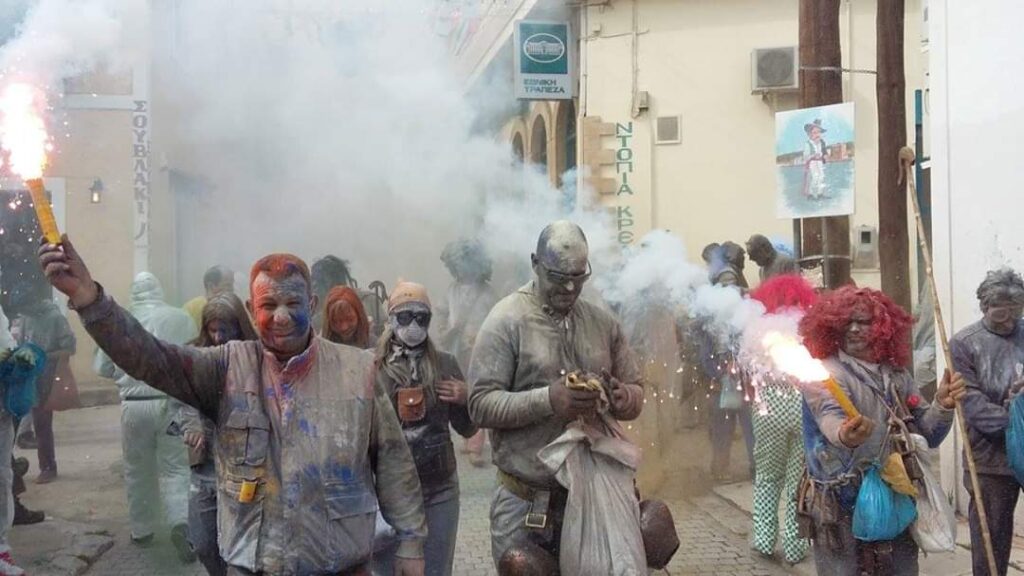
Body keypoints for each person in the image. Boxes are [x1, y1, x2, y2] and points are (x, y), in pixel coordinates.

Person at [39, 236, 427, 576]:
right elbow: (149, 357)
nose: (281, 316)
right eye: (269, 304)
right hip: (252, 566)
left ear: (311, 303)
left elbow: (393, 459)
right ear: (251, 307)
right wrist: (88, 298)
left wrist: (411, 542)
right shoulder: (225, 368)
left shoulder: (357, 370)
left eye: (293, 302)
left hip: (341, 565)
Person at [468, 221, 644, 570]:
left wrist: (625, 397)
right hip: (526, 503)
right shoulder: (506, 321)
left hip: (596, 500)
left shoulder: (602, 322)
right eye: (558, 276)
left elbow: (636, 388)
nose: (569, 287)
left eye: (578, 277)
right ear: (535, 264)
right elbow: (479, 404)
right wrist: (548, 400)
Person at [798, 286, 965, 575]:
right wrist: (846, 434)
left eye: (862, 322)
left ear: (881, 327)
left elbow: (927, 434)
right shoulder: (824, 373)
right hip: (841, 503)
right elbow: (829, 416)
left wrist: (943, 405)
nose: (853, 329)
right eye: (847, 322)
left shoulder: (897, 375)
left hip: (896, 494)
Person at [372, 282, 476, 576]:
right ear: (391, 319)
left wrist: (466, 398)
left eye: (421, 318)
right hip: (388, 494)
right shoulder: (373, 367)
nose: (413, 326)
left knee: (436, 571)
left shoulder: (444, 364)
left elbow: (468, 429)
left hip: (439, 489)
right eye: (405, 317)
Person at [94, 272, 197, 560]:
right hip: (170, 402)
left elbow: (102, 367)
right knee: (176, 468)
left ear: (133, 292)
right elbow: (193, 356)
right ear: (159, 290)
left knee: (137, 468)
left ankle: (142, 530)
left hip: (134, 405)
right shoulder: (180, 318)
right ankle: (180, 523)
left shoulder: (118, 322)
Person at [178, 292, 258, 576]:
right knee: (202, 542)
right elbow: (183, 398)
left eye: (225, 330)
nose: (218, 338)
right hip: (206, 467)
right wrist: (192, 426)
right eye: (212, 330)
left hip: (244, 468)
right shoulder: (195, 356)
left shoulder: (257, 357)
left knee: (241, 549)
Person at [951, 268, 1024, 576]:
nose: (1009, 323)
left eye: (1016, 314)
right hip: (990, 458)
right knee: (991, 541)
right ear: (984, 306)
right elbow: (973, 405)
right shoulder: (964, 343)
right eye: (1001, 315)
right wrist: (1015, 417)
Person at [748, 275, 816, 564]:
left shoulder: (757, 330)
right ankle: (794, 545)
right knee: (797, 481)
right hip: (802, 409)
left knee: (767, 475)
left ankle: (764, 539)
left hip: (767, 411)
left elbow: (748, 368)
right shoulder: (806, 328)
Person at [437, 239, 499, 466]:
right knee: (459, 391)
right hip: (456, 349)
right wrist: (445, 330)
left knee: (477, 390)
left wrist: (484, 337)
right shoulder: (452, 290)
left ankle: (476, 443)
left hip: (480, 349)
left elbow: (497, 319)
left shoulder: (488, 292)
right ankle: (467, 433)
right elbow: (442, 311)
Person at [11, 289, 75, 485]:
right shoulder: (26, 317)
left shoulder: (55, 318)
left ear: (34, 303)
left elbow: (69, 348)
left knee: (42, 423)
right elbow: (20, 344)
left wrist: (43, 356)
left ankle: (48, 467)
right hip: (29, 374)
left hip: (48, 375)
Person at [310, 255, 386, 340]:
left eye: (322, 280)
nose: (315, 285)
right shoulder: (314, 316)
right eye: (313, 280)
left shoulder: (369, 301)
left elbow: (385, 333)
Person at [803, 119, 828, 199]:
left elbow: (824, 151)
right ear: (809, 134)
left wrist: (825, 155)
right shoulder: (808, 144)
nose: (817, 135)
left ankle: (820, 193)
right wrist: (813, 155)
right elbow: (806, 156)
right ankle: (811, 194)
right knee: (815, 177)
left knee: (821, 176)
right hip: (812, 162)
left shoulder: (822, 142)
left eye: (819, 132)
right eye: (814, 133)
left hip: (819, 161)